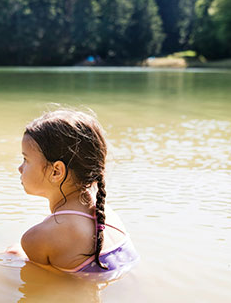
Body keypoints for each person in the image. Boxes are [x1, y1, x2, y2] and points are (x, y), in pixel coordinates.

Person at [9, 108, 139, 279]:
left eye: (26, 160)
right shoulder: (104, 212)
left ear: (56, 171)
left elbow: (46, 284)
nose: (20, 168)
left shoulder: (39, 237)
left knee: (11, 253)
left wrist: (13, 256)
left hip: (86, 298)